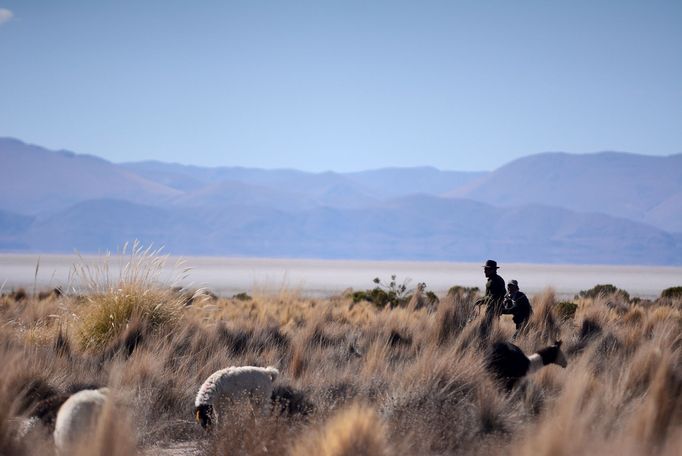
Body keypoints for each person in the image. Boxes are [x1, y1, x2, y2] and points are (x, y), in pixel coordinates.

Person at [476, 260, 505, 337]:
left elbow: (493, 296)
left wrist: (481, 300)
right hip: (496, 309)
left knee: (485, 330)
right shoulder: (499, 279)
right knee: (492, 329)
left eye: (486, 269)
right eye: (484, 269)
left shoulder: (493, 282)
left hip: (492, 309)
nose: (484, 271)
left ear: (492, 270)